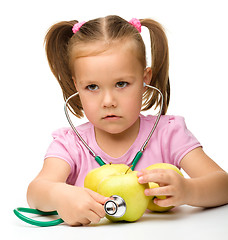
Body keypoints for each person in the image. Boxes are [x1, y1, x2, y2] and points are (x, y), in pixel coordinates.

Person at [27, 15, 228, 226]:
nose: (108, 101)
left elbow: (223, 184)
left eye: (121, 83)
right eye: (92, 87)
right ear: (77, 86)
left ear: (144, 80)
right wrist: (59, 195)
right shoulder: (70, 145)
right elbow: (35, 192)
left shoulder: (168, 134)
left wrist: (189, 190)